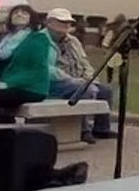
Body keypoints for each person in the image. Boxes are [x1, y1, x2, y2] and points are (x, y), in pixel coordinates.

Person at [45, 8, 116, 144]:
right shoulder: (42, 40)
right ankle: (83, 130)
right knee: (82, 90)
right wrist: (73, 80)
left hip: (78, 79)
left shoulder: (73, 41)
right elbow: (48, 69)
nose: (65, 25)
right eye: (61, 21)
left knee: (105, 90)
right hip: (56, 82)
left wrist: (90, 78)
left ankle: (102, 128)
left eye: (68, 22)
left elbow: (84, 62)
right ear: (49, 23)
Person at [0, 5, 55, 124]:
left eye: (24, 13)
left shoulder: (37, 39)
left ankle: (0, 132)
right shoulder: (5, 40)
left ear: (32, 19)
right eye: (15, 13)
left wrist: (6, 84)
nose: (19, 14)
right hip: (7, 84)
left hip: (30, 88)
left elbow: (34, 69)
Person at [100, 13, 128, 84]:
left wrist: (105, 47)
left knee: (112, 66)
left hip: (118, 50)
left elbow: (106, 40)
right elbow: (108, 39)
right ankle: (112, 79)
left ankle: (111, 79)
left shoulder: (122, 29)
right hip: (116, 50)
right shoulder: (114, 29)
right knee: (113, 65)